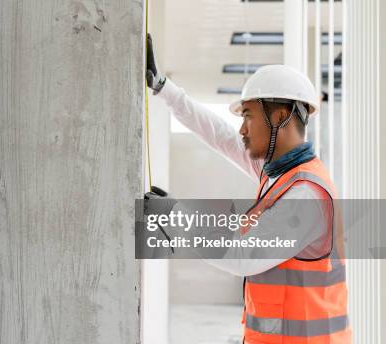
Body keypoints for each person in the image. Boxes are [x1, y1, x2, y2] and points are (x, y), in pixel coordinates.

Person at [144, 34, 350, 343]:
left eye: (249, 116)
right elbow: (220, 135)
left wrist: (176, 218)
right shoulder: (279, 176)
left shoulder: (306, 194)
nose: (242, 128)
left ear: (280, 117)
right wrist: (163, 88)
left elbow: (242, 255)